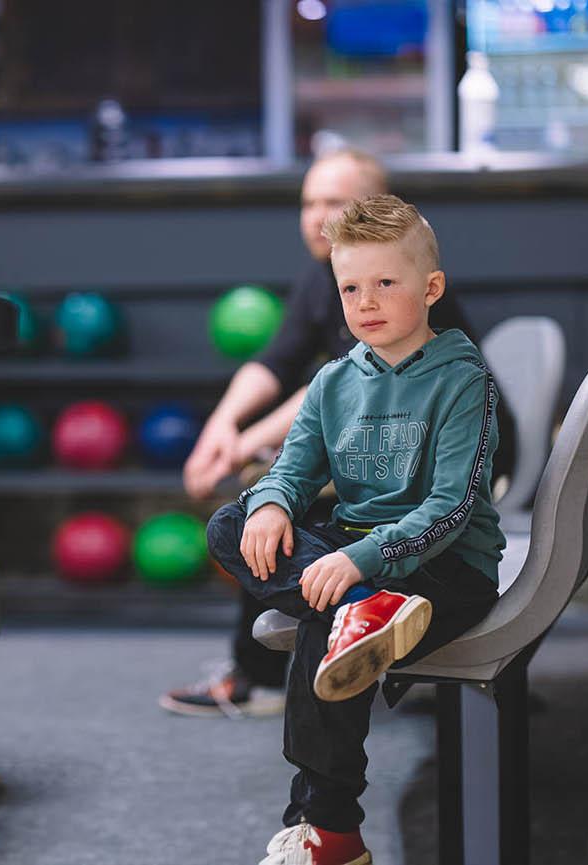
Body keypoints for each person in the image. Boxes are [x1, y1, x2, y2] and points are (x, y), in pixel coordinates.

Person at [205, 194, 504, 865]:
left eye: (386, 283)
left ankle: (328, 831)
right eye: (350, 288)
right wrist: (273, 504)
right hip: (364, 567)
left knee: (324, 612)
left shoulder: (463, 380)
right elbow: (291, 471)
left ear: (431, 289)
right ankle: (361, 610)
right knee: (232, 523)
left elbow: (453, 508)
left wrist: (361, 560)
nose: (366, 302)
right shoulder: (332, 382)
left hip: (446, 569)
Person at [162, 149, 508, 718]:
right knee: (254, 514)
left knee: (291, 512)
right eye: (309, 203)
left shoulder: (400, 289)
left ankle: (261, 675)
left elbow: (336, 391)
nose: (317, 216)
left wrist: (244, 448)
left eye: (335, 202)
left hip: (453, 465)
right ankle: (360, 611)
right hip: (382, 463)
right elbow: (278, 362)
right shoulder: (326, 278)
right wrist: (220, 428)